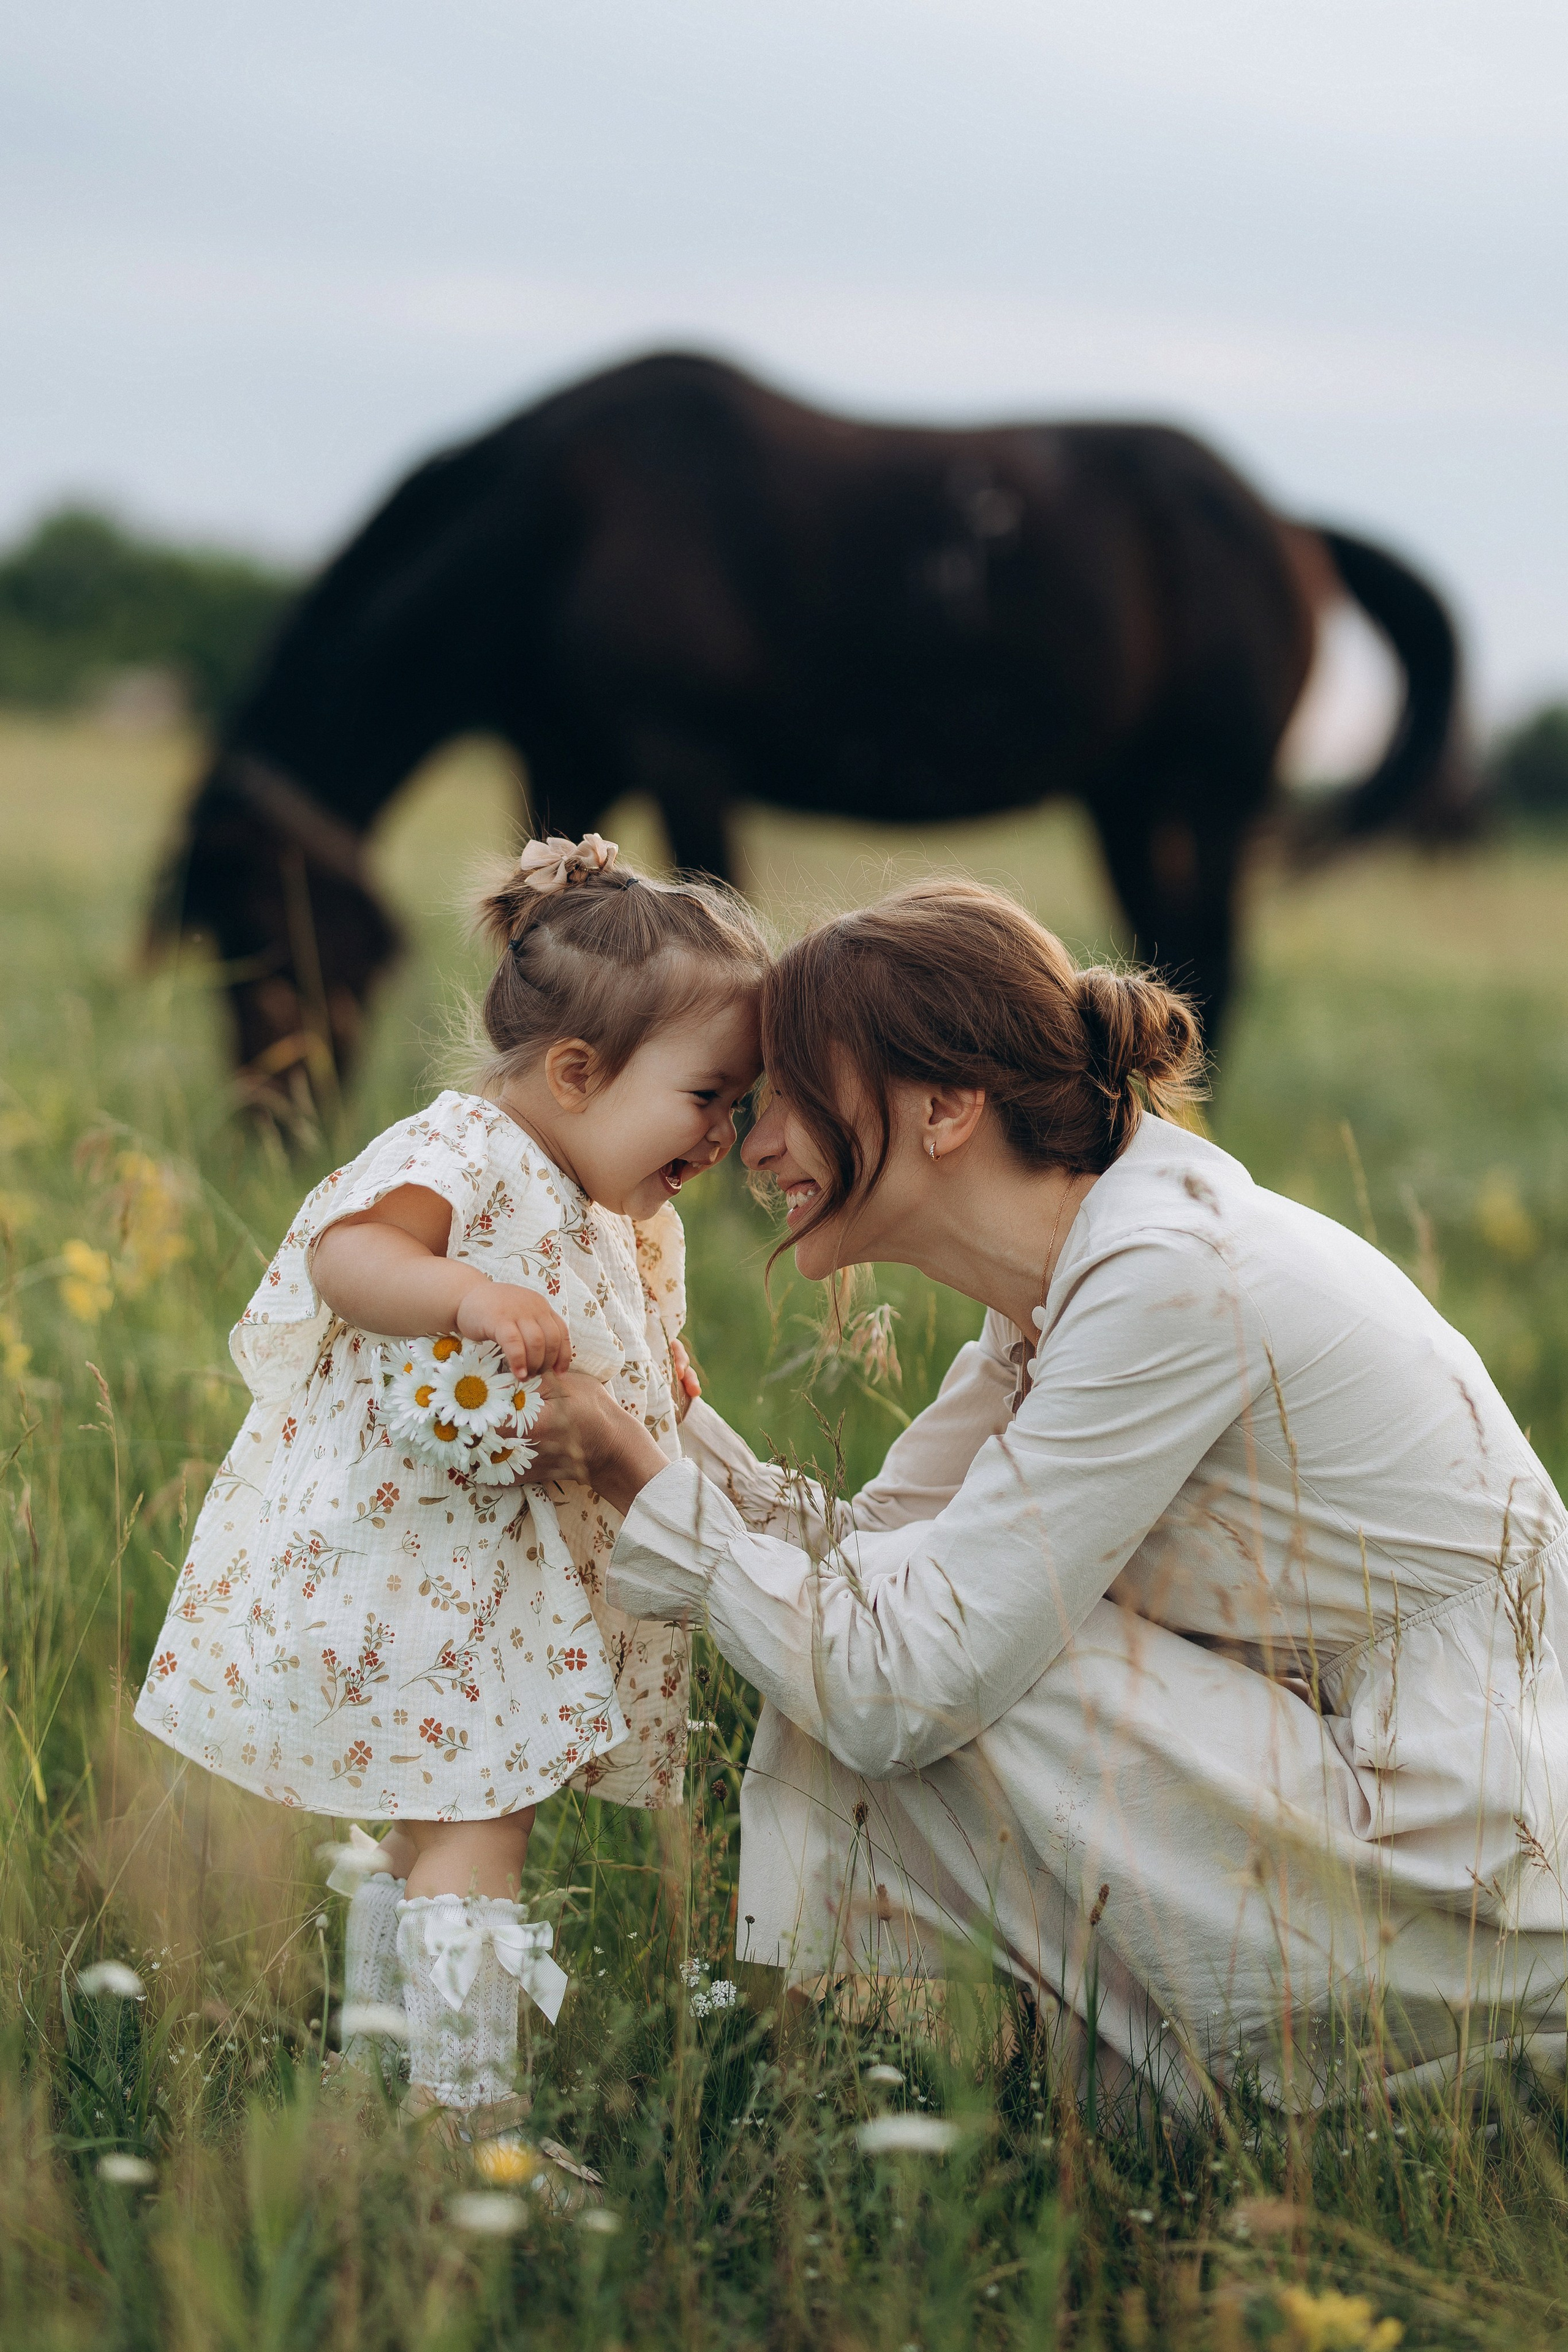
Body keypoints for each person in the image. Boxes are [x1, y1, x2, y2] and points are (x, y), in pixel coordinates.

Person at [525, 878, 1568, 2111]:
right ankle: (951, 2098)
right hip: (1352, 1800)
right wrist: (646, 1407)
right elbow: (869, 1547)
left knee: (923, 1665)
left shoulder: (1166, 1282)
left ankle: (948, 2097)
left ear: (946, 1106)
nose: (753, 1149)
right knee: (884, 1616)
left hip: (1457, 1870)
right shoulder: (1078, 1272)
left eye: (792, 1099)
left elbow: (898, 1672)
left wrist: (638, 1474)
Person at [135, 832, 764, 2145]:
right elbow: (349, 1259)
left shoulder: (613, 1205)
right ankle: (462, 2120)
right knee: (477, 1817)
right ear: (579, 1073)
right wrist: (467, 1291)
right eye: (710, 1095)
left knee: (437, 1822)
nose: (726, 1133)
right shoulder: (465, 1147)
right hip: (411, 1560)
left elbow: (614, 1350)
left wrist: (659, 1375)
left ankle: (380, 2070)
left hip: (483, 1567)